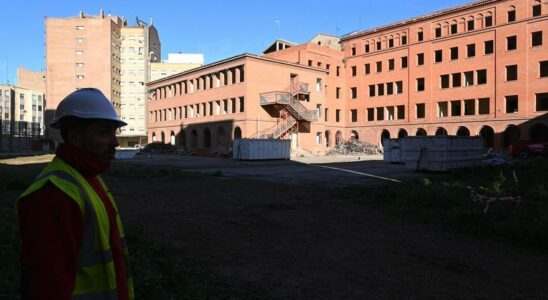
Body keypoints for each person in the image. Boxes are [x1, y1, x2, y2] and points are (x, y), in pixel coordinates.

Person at [16, 88, 134, 299]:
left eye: (114, 133)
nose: (115, 142)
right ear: (75, 137)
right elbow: (47, 286)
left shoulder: (89, 177)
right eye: (104, 132)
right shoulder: (53, 194)